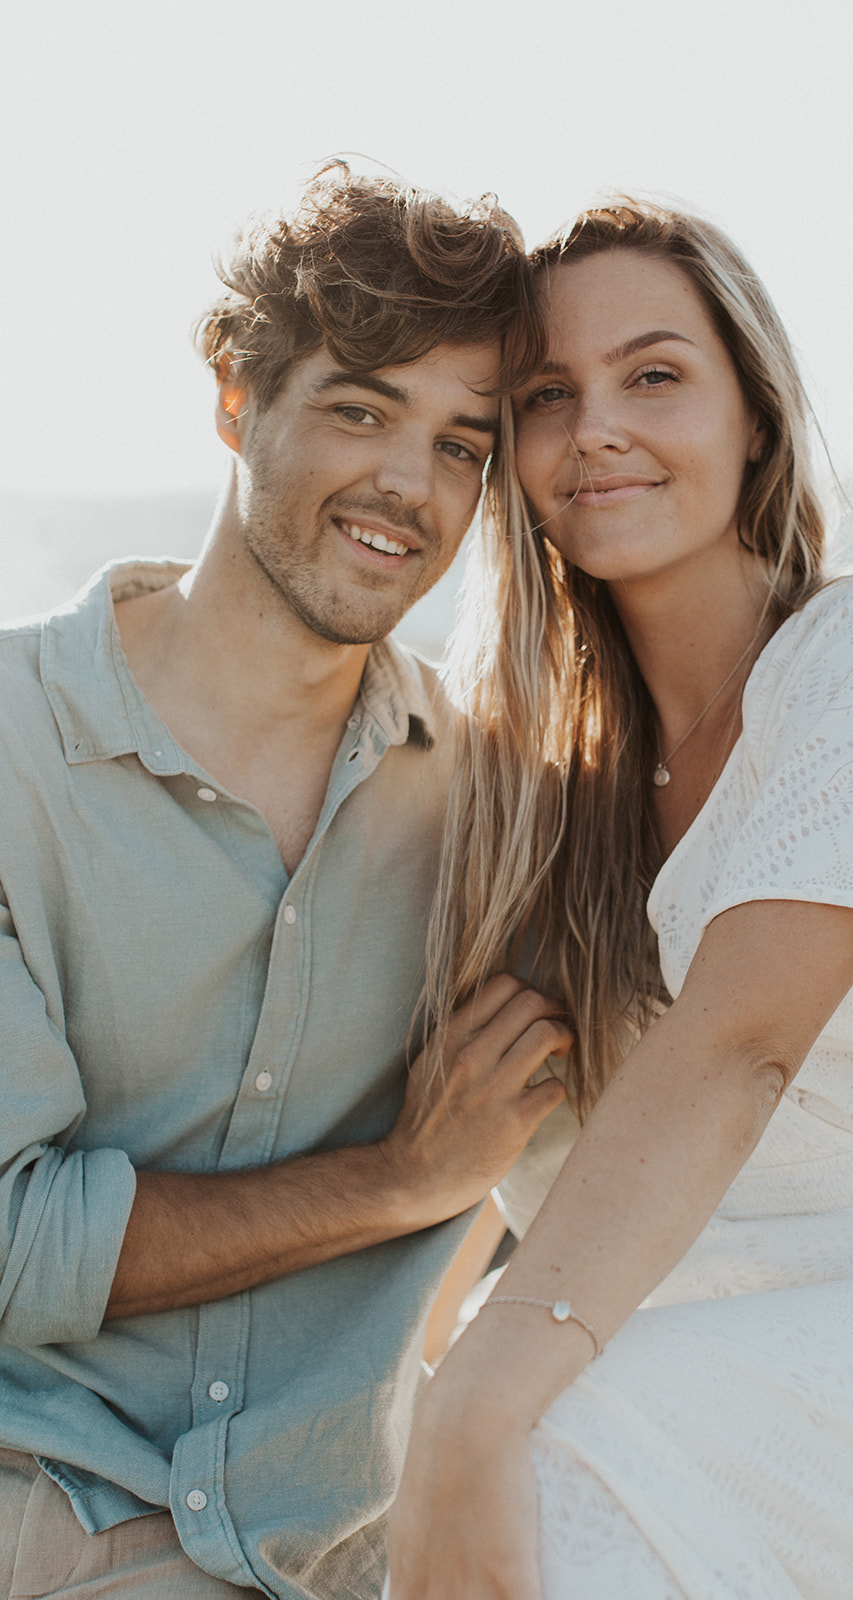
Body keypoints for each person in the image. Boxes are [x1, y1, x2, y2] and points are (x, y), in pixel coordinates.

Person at [386, 199, 853, 1598]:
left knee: (536, 1448)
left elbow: (736, 1049)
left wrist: (474, 1395)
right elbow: (523, 1158)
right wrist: (408, 1390)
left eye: (653, 375)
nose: (597, 431)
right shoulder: (534, 780)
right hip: (723, 1321)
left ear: (753, 417)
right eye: (545, 398)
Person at [0, 164, 573, 1599]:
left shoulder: (501, 799)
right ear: (235, 395)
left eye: (461, 445)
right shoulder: (10, 748)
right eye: (363, 409)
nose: (408, 488)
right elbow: (13, 1245)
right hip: (39, 1489)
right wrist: (398, 1183)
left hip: (346, 1545)